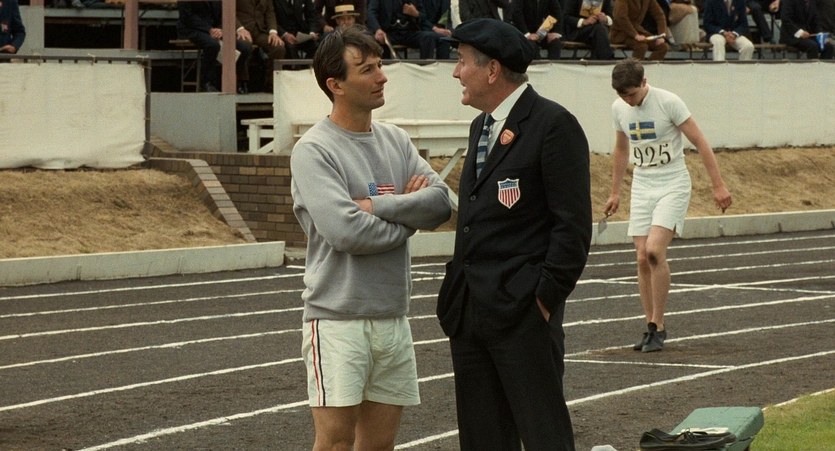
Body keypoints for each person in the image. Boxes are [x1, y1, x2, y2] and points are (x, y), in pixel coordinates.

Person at [291, 25, 452, 450]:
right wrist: (409, 214)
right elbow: (347, 232)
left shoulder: (395, 140)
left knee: (379, 447)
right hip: (337, 320)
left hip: (392, 316)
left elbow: (441, 203)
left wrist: (377, 205)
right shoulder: (314, 150)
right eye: (367, 69)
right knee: (336, 443)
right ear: (336, 85)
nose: (382, 77)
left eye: (380, 65)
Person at [437, 18, 592, 451]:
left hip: (523, 313)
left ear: (492, 70)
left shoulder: (553, 124)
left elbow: (572, 227)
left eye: (462, 62)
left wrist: (542, 299)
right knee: (482, 438)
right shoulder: (481, 126)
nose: (455, 72)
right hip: (471, 310)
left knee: (543, 436)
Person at [604, 58, 733, 353]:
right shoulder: (619, 108)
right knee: (641, 258)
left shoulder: (668, 102)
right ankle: (650, 326)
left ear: (644, 82)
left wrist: (718, 185)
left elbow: (700, 141)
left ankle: (659, 325)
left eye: (632, 94)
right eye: (622, 95)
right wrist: (615, 192)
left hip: (672, 182)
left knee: (654, 251)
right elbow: (622, 149)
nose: (628, 100)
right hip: (642, 183)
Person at [177, 0, 253, 93]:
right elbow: (187, 17)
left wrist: (220, 29)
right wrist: (209, 29)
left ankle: (237, 82)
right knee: (212, 45)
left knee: (245, 47)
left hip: (215, 29)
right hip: (192, 29)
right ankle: (206, 82)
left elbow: (222, 14)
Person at [366, 0, 452, 59]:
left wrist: (416, 13)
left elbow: (423, 17)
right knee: (373, 41)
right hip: (388, 33)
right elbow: (371, 13)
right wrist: (377, 29)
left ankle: (425, 68)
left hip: (409, 33)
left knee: (431, 37)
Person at [236, 0, 286, 92]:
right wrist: (239, 28)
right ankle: (242, 82)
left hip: (259, 30)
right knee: (245, 45)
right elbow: (228, 11)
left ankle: (271, 83)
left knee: (278, 47)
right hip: (241, 30)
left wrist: (273, 32)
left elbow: (270, 13)